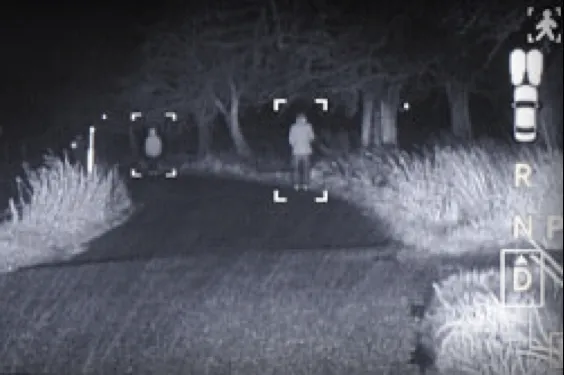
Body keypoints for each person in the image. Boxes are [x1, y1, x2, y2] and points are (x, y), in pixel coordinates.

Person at [288, 113, 315, 190]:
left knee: (296, 168)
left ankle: (296, 184)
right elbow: (312, 137)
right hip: (306, 151)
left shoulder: (293, 127)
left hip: (296, 151)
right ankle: (305, 184)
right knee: (306, 168)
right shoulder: (308, 126)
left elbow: (290, 140)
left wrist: (295, 145)